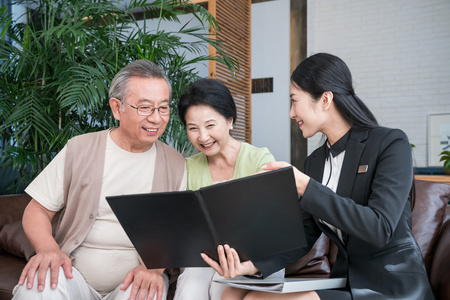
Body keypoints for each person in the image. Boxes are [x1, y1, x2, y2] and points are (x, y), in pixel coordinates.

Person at [206, 53, 435, 300]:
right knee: (230, 294)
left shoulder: (390, 143)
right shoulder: (314, 161)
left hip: (391, 283)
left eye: (295, 101)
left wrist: (307, 187)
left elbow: (380, 227)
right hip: (346, 280)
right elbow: (303, 235)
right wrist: (251, 266)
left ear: (325, 99)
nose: (291, 113)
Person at [12, 59, 187, 300]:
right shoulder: (79, 149)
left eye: (163, 108)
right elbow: (38, 209)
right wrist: (48, 249)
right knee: (37, 290)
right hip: (73, 276)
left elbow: (181, 230)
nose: (156, 119)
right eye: (145, 107)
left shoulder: (176, 164)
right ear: (117, 108)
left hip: (138, 280)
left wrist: (154, 268)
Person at [173, 78, 302, 300]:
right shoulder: (188, 167)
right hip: (206, 257)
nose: (203, 137)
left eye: (210, 125)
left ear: (230, 121)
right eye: (193, 128)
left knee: (219, 287)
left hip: (254, 258)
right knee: (190, 287)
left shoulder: (259, 159)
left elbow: (275, 224)